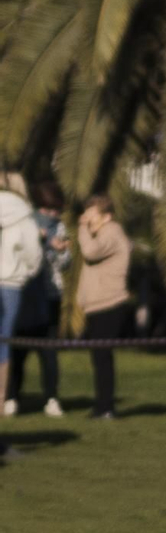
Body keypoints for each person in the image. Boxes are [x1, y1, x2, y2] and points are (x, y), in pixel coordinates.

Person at [5, 177, 68, 417]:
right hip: (23, 293)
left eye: (56, 211)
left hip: (50, 296)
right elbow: (25, 257)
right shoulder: (24, 222)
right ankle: (11, 397)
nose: (51, 215)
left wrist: (59, 251)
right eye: (47, 210)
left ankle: (51, 398)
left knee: (49, 352)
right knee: (17, 349)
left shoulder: (59, 228)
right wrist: (39, 242)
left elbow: (66, 263)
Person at [75, 195, 131, 420]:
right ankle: (102, 406)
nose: (87, 218)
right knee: (99, 358)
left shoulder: (112, 232)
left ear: (106, 217)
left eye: (92, 214)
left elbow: (90, 252)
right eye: (86, 213)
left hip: (109, 304)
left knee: (102, 357)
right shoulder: (102, 234)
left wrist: (82, 228)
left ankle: (106, 407)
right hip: (97, 305)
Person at [0, 182, 43, 407]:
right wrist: (25, 273)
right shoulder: (23, 215)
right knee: (4, 340)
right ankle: (2, 399)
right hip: (12, 283)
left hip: (10, 282)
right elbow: (33, 254)